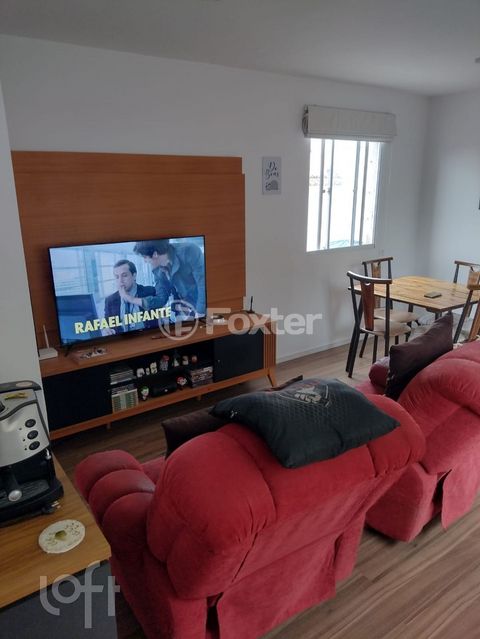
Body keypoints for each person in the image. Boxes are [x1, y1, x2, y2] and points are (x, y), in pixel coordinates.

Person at [122, 239, 206, 319]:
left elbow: (203, 283)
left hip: (206, 302)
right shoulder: (157, 270)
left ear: (155, 254)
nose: (145, 261)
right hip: (190, 307)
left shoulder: (189, 251)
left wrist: (200, 312)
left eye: (145, 257)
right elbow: (161, 299)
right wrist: (131, 299)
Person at [103, 260, 156, 334]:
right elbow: (107, 324)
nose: (120, 281)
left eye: (124, 275)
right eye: (117, 277)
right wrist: (106, 329)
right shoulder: (110, 300)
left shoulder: (150, 292)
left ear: (134, 276)